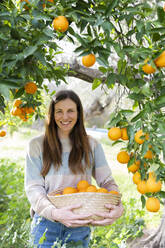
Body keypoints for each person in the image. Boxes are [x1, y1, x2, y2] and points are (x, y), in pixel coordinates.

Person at [25, 89, 124, 248]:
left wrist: (119, 206)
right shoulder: (36, 145)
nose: (65, 117)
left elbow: (107, 182)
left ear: (78, 113)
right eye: (59, 111)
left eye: (70, 111)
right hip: (46, 223)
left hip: (79, 223)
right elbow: (34, 187)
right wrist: (55, 213)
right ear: (52, 114)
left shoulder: (91, 145)